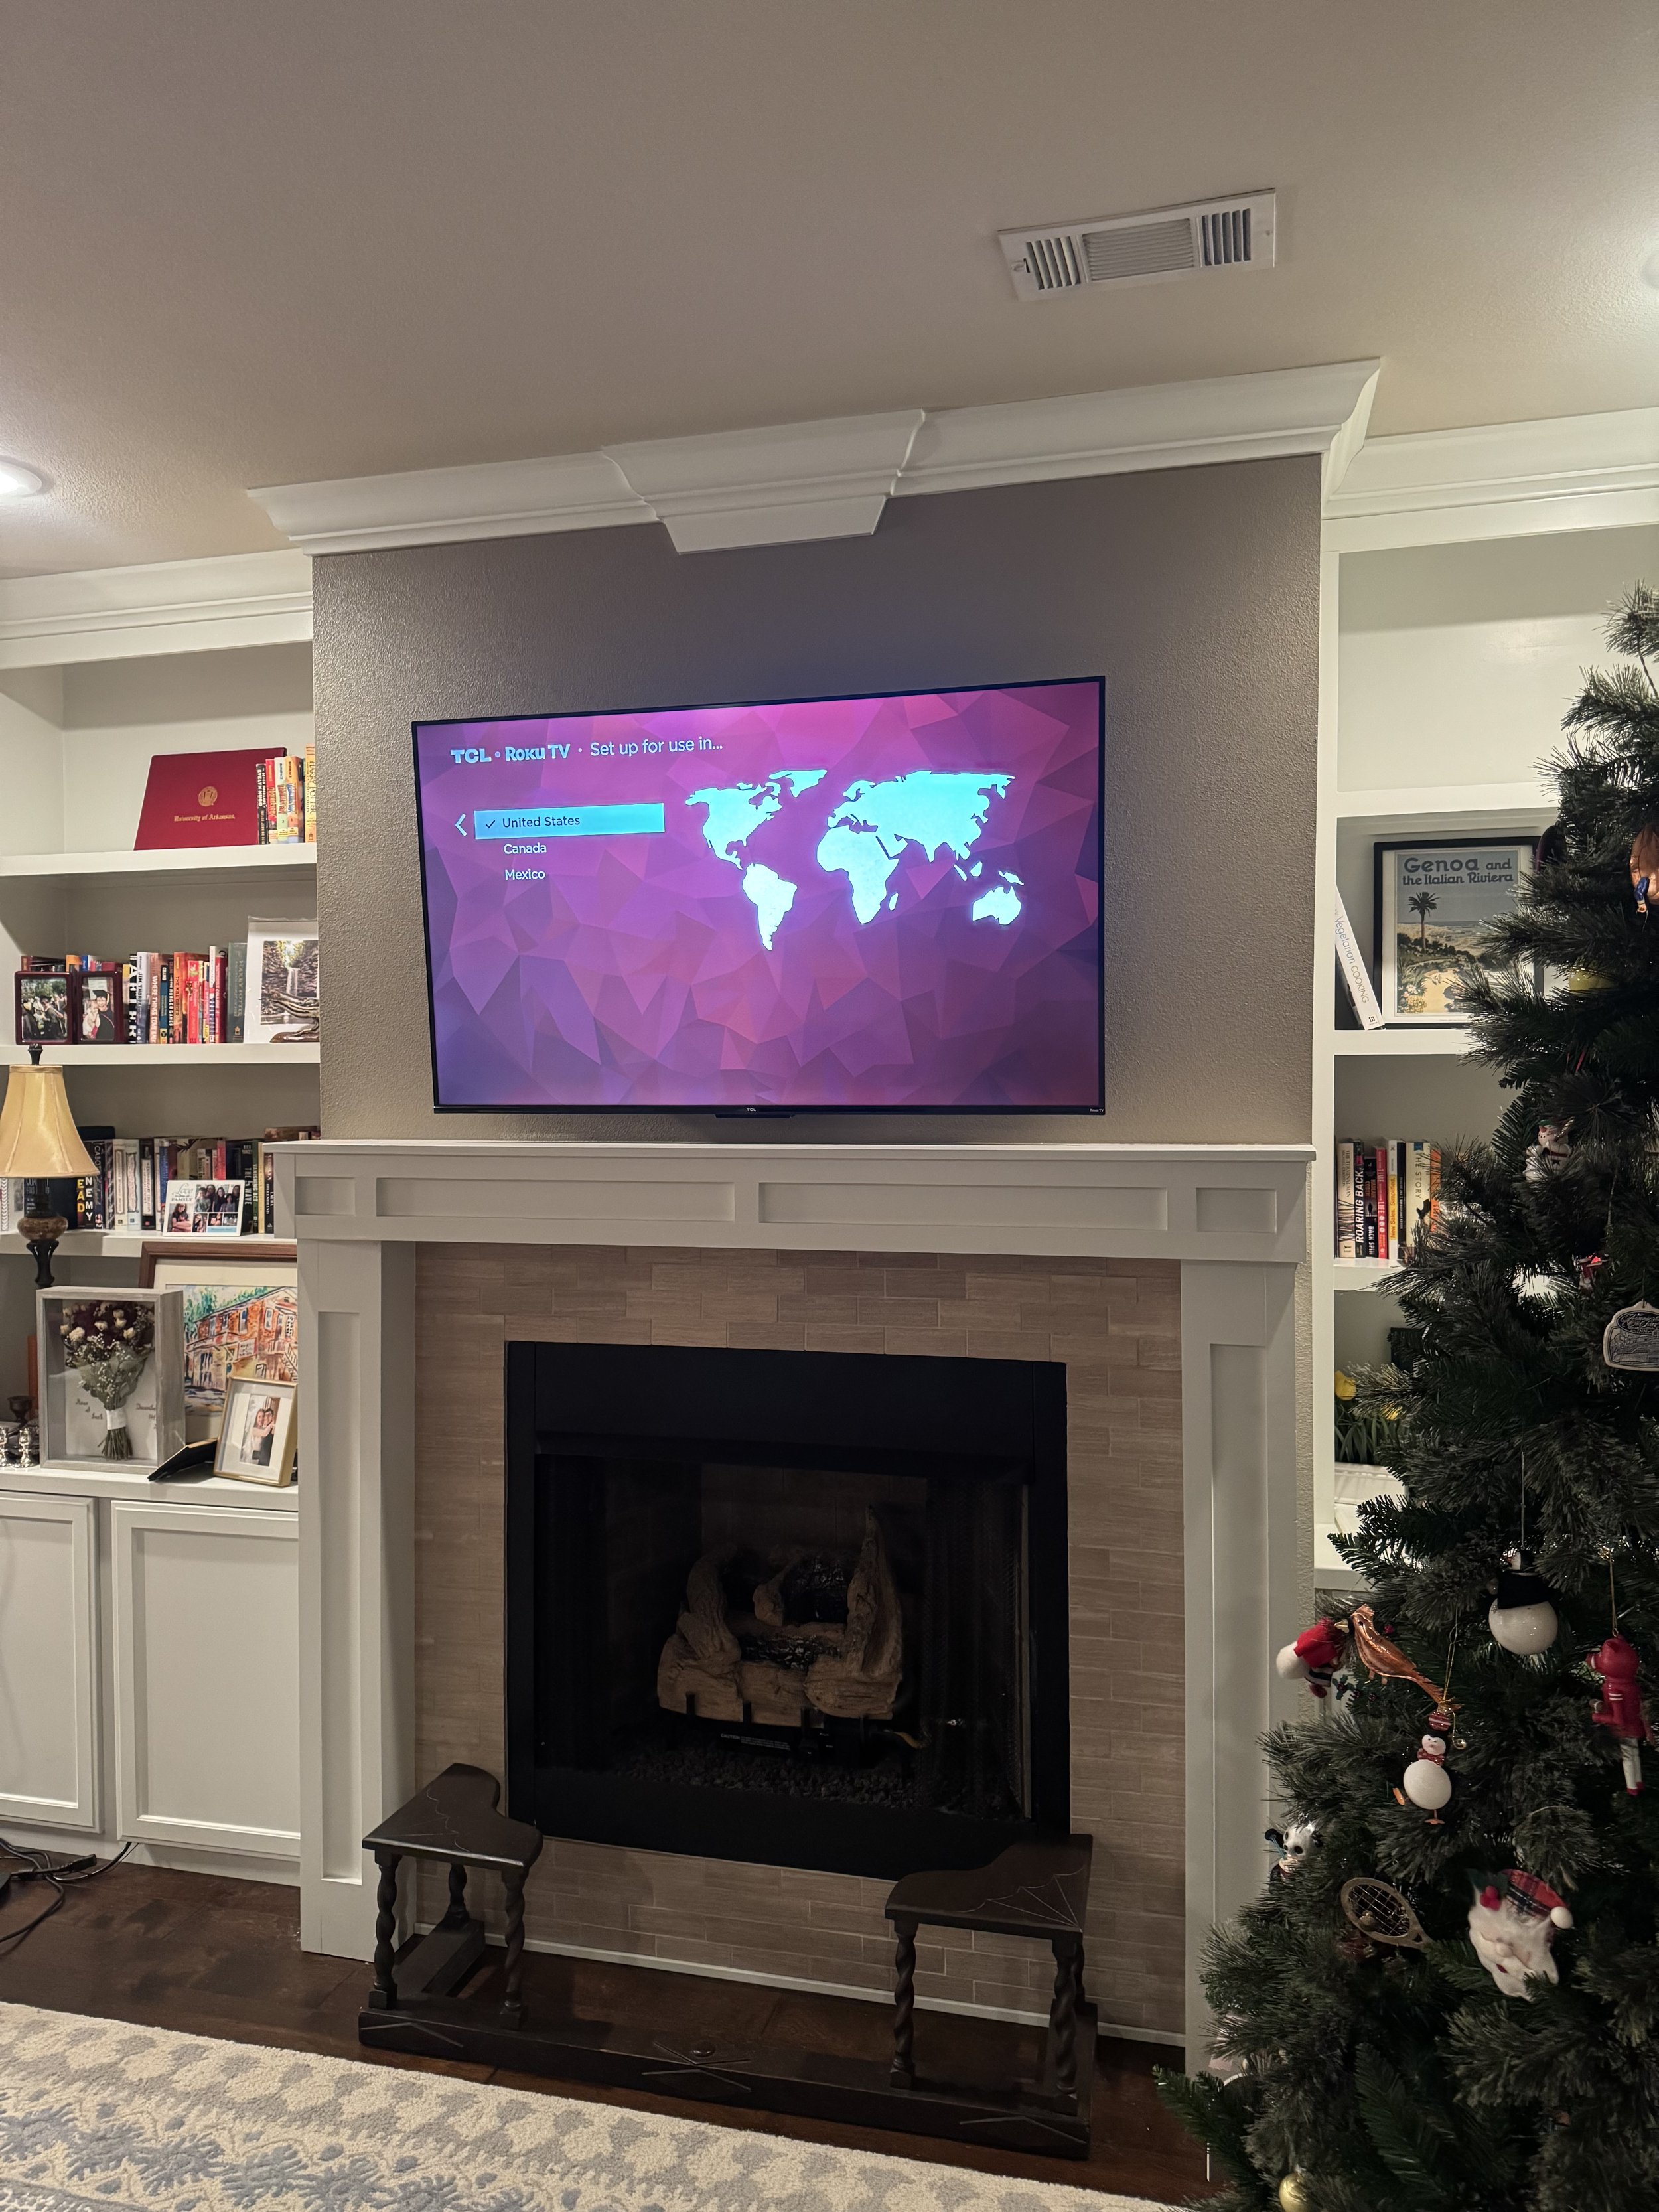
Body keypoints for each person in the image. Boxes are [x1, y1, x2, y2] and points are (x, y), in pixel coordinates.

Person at [247, 1400, 277, 1468]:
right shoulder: (254, 1430)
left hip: (260, 1461)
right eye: (259, 1417)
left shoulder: (266, 1429)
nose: (263, 1418)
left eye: (263, 1416)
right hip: (252, 1459)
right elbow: (264, 1433)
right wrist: (273, 1422)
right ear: (256, 1418)